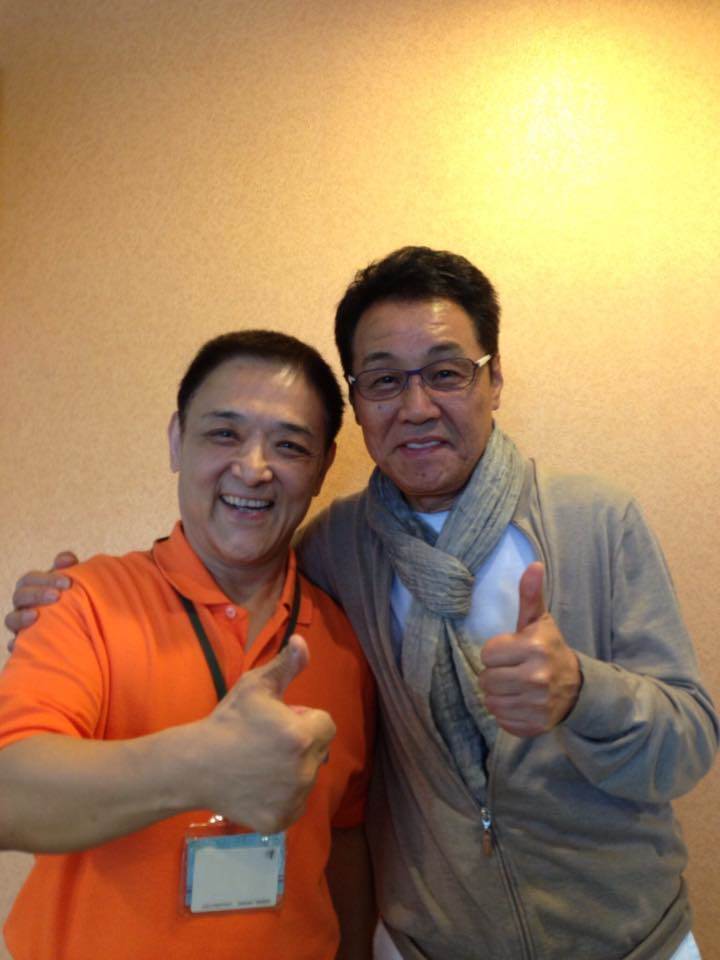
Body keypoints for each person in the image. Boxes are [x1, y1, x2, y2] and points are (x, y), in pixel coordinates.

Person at [7, 248, 718, 960]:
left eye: (446, 373)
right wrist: (72, 599)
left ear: (494, 379)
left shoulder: (594, 522)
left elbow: (690, 744)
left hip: (633, 941)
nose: (416, 407)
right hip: (432, 946)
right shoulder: (334, 552)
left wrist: (583, 693)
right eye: (383, 380)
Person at [0, 330, 376, 960]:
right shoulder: (84, 602)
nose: (253, 468)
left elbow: (345, 837)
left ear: (322, 467)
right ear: (178, 440)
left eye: (289, 445)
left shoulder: (342, 642)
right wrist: (200, 768)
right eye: (224, 434)